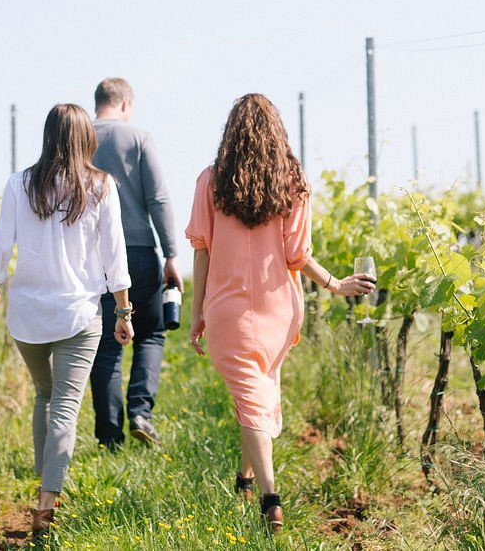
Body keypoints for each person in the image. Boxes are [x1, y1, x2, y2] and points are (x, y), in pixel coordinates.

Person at [185, 94, 375, 532]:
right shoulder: (292, 182)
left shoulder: (210, 182)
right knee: (255, 394)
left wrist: (197, 312)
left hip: (228, 310)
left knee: (251, 396)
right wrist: (335, 284)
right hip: (278, 309)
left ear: (230, 134)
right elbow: (296, 255)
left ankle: (270, 499)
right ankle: (245, 479)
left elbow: (201, 250)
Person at [0, 103, 134, 535]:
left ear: (47, 136)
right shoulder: (101, 186)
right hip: (79, 314)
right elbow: (114, 255)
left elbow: (1, 247)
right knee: (65, 405)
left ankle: (43, 483)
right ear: (86, 139)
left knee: (44, 395)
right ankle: (47, 501)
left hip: (27, 316)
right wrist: (123, 310)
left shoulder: (19, 183)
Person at [89, 77, 181, 448]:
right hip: (140, 250)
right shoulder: (138, 138)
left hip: (95, 257)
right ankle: (141, 412)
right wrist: (171, 253)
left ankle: (110, 437)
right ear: (125, 104)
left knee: (106, 345)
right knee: (151, 333)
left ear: (98, 103)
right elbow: (158, 199)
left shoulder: (79, 138)